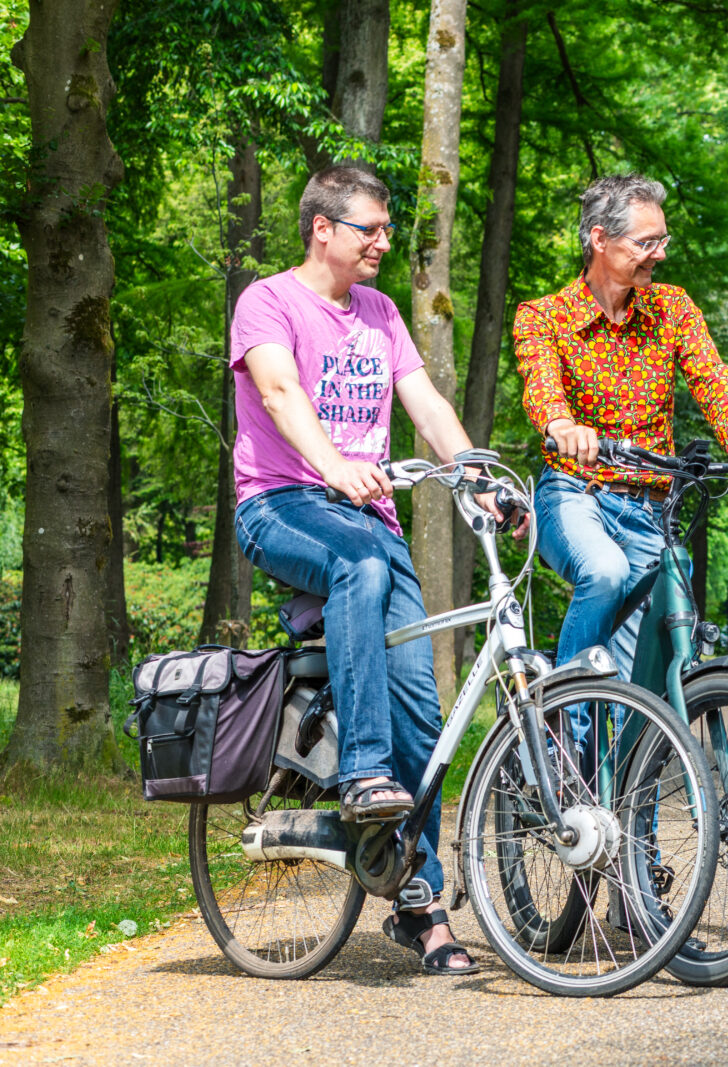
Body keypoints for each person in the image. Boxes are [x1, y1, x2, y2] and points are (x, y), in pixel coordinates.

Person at [232, 166, 508, 976]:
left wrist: (478, 476)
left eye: (385, 229)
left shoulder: (382, 312)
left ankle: (420, 907)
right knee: (355, 563)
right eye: (370, 229)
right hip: (285, 505)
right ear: (323, 228)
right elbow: (281, 393)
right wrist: (334, 465)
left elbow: (425, 403)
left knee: (425, 716)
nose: (385, 242)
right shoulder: (269, 300)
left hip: (369, 519)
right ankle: (360, 773)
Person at [513, 175, 728, 730]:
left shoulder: (672, 308)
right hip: (575, 494)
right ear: (599, 240)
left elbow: (714, 382)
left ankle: (637, 810)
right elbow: (542, 389)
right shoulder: (543, 316)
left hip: (650, 508)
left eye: (663, 240)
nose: (659, 254)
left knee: (650, 664)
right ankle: (562, 726)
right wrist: (562, 423)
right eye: (646, 243)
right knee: (605, 573)